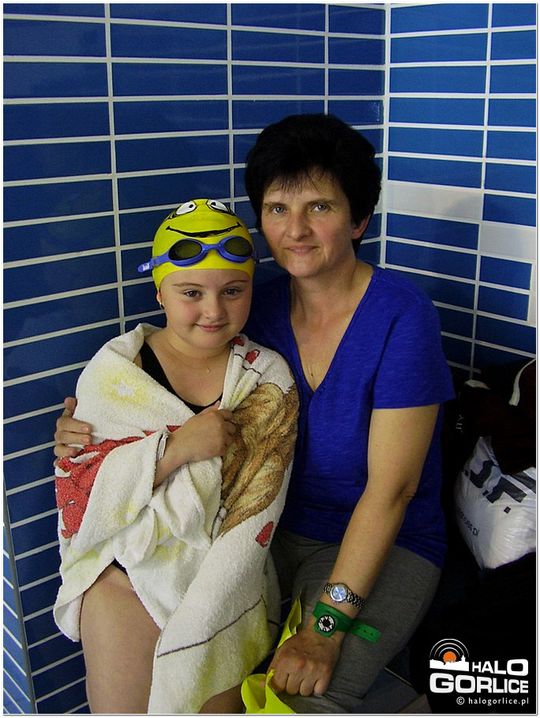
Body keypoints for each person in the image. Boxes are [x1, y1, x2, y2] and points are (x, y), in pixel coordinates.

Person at [54, 114, 455, 713]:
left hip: (383, 542)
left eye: (319, 207)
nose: (295, 230)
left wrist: (325, 629)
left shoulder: (402, 316)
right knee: (145, 625)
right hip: (263, 531)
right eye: (277, 208)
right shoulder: (249, 306)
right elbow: (158, 385)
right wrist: (91, 429)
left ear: (358, 220)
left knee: (303, 697)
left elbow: (392, 491)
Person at [52, 198, 298, 714]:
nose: (214, 310)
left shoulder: (266, 377)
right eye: (191, 293)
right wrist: (175, 451)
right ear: (159, 292)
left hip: (222, 579)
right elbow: (80, 496)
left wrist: (209, 603)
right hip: (124, 573)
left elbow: (258, 508)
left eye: (233, 291)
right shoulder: (114, 372)